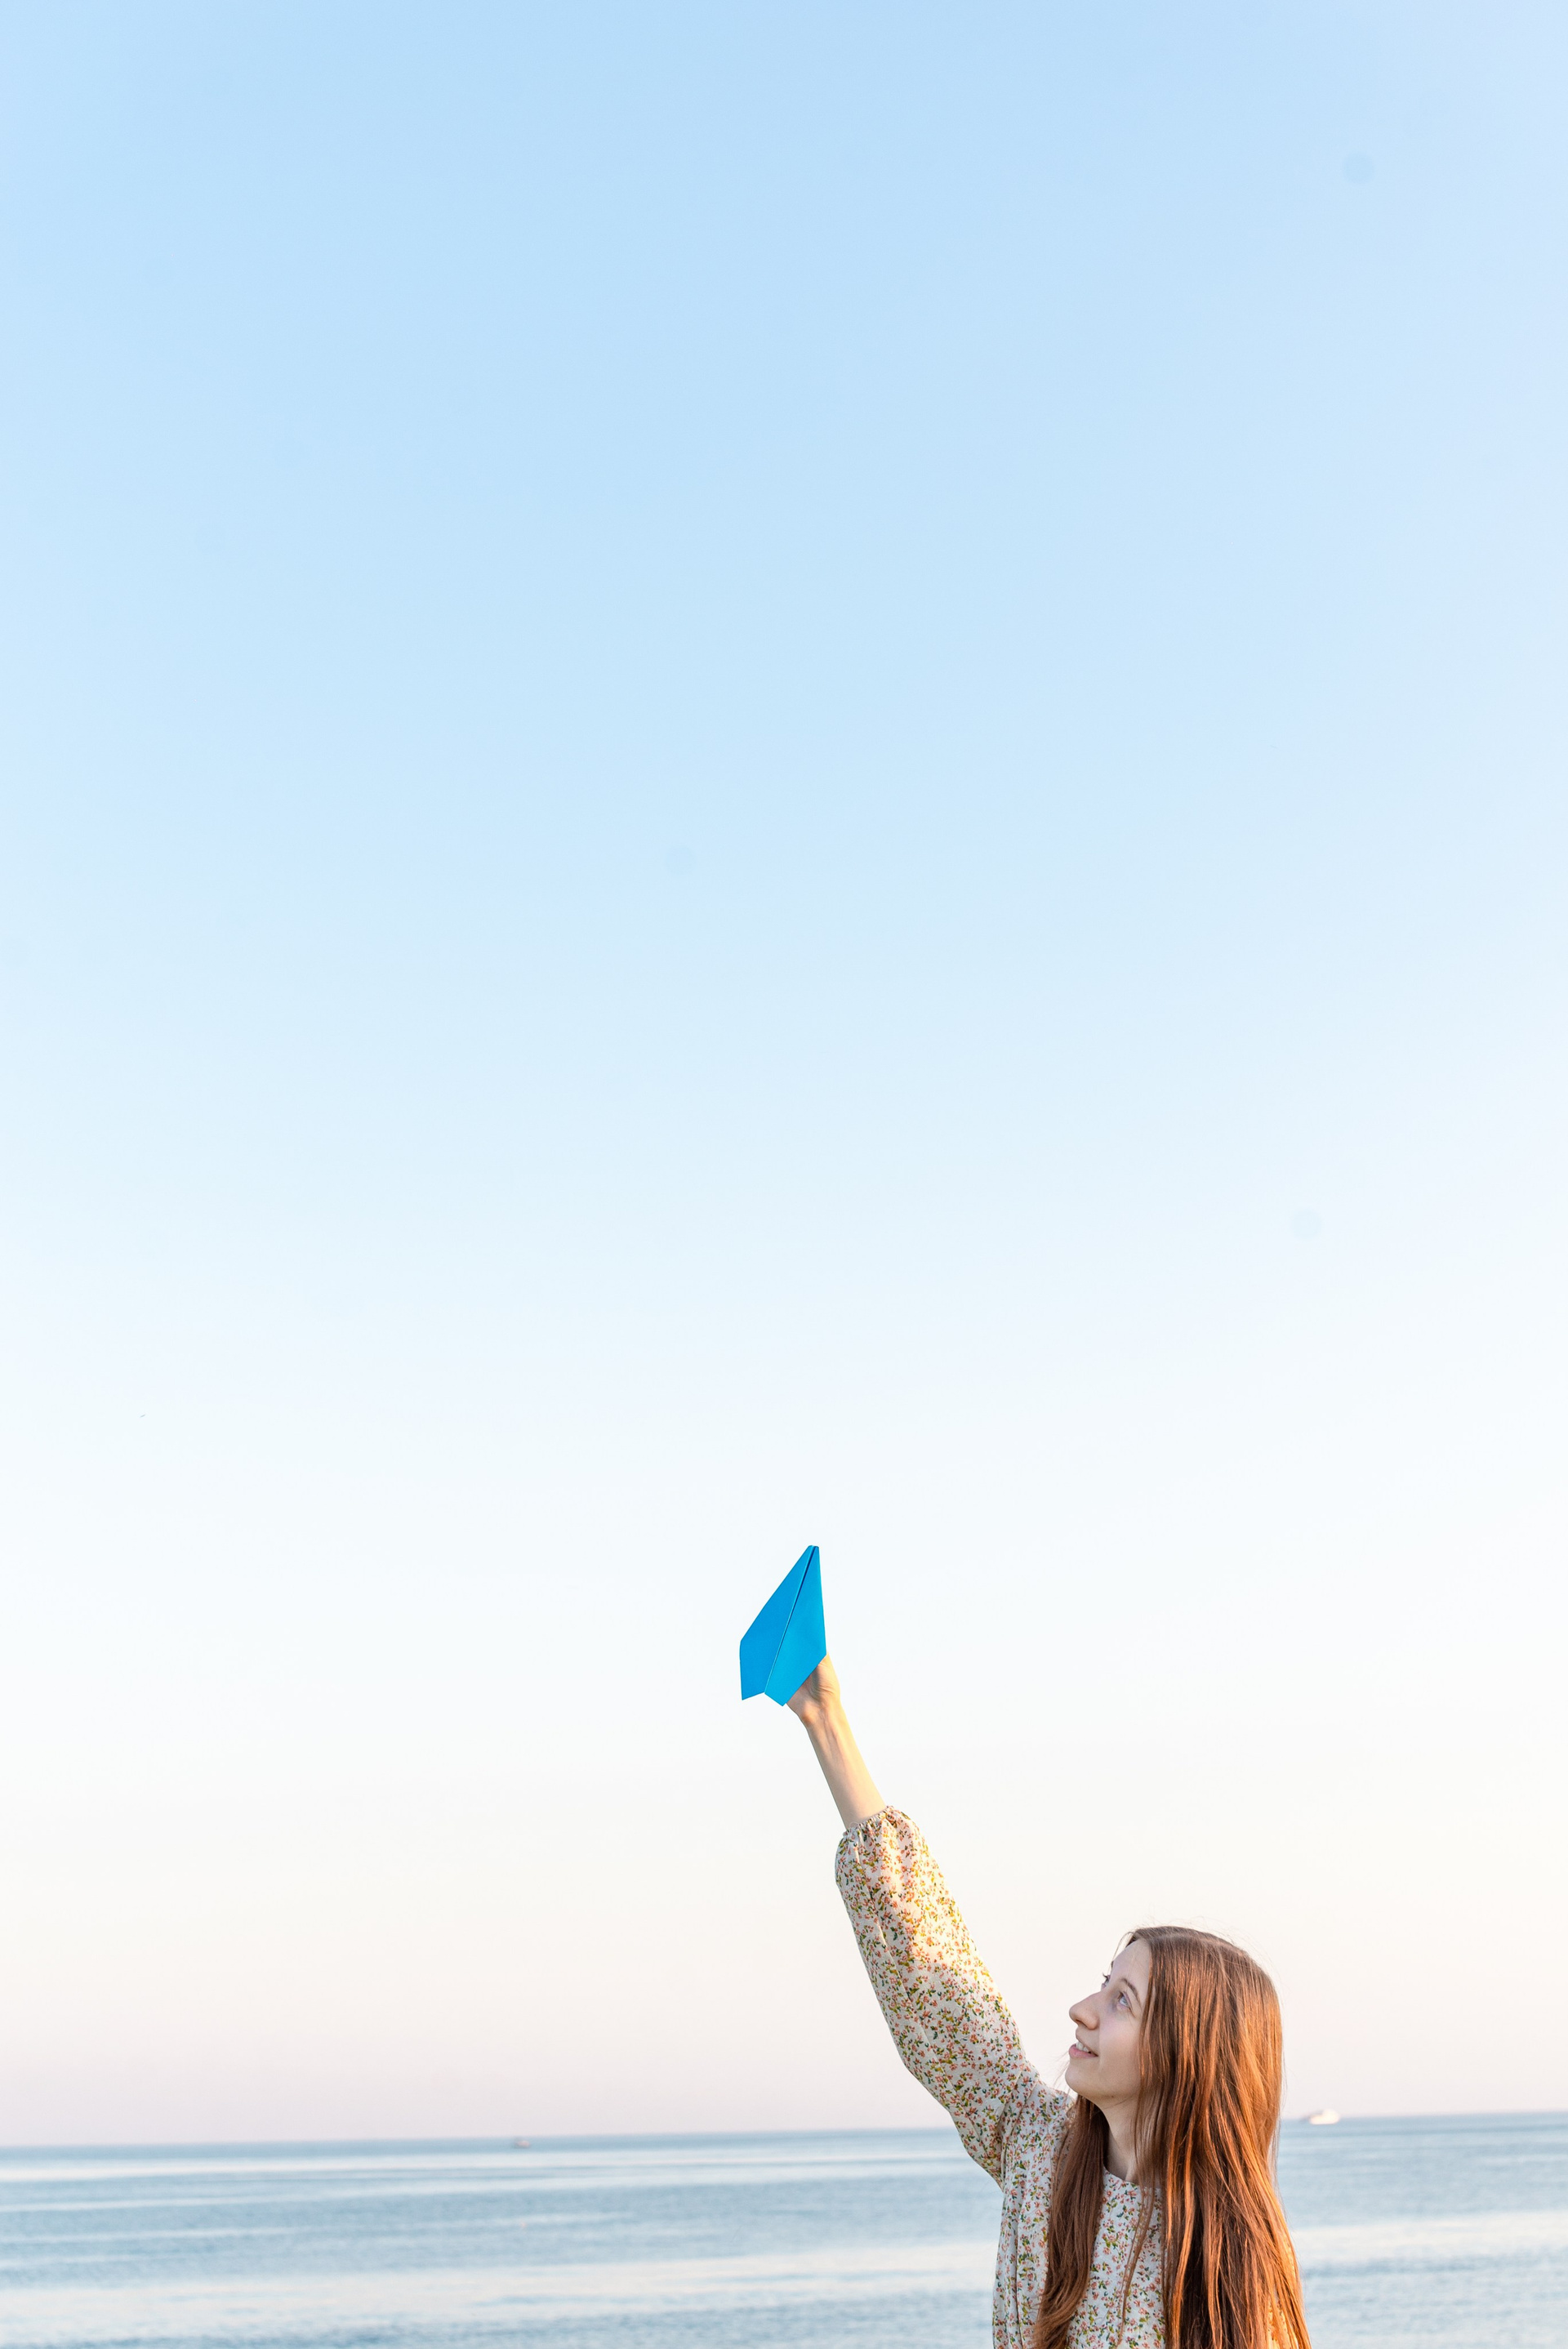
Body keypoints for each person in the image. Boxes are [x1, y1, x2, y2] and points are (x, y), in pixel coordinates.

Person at [784, 1654, 1311, 2349]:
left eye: (1122, 2001)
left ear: (1187, 2054)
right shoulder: (1042, 2150)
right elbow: (935, 1981)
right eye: (1103, 1983)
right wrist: (826, 1720)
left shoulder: (1228, 2268)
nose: (1082, 2009)